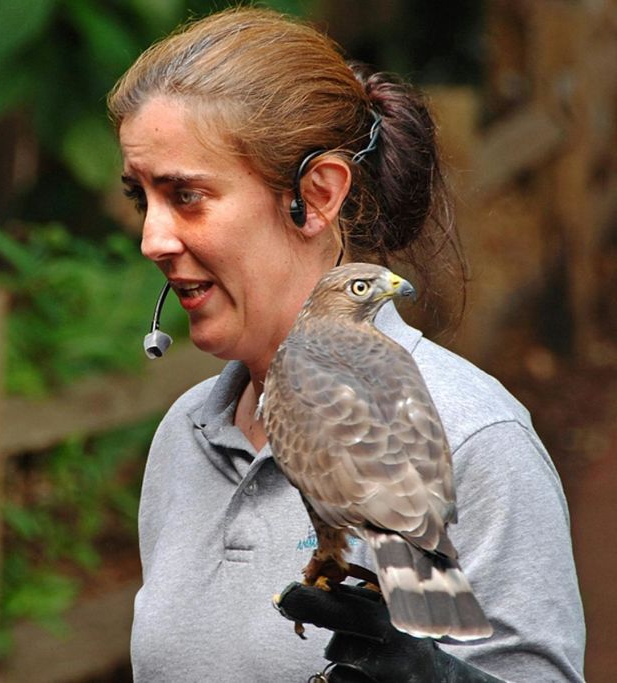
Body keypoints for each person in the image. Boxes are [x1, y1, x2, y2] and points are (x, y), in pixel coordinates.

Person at [108, 7, 585, 682]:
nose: (152, 238)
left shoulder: (475, 432)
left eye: (186, 196)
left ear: (318, 194)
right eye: (142, 198)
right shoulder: (187, 433)